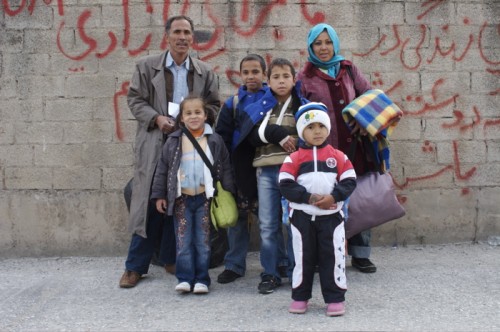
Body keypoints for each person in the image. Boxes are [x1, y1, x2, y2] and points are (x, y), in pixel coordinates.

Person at [119, 15, 220, 288]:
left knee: (181, 202)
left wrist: (196, 120)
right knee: (151, 203)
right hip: (155, 143)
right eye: (177, 32)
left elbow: (214, 105)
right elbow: (135, 99)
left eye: (187, 32)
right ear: (167, 36)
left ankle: (171, 259)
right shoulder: (146, 66)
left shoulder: (204, 72)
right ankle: (135, 266)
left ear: (193, 38)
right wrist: (156, 119)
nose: (183, 37)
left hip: (189, 146)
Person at [297, 23, 377, 273]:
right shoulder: (304, 76)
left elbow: (370, 96)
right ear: (311, 47)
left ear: (335, 44)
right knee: (330, 202)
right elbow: (299, 113)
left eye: (328, 42)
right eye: (317, 43)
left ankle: (361, 254)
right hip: (324, 153)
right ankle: (330, 255)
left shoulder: (348, 69)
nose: (323, 48)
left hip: (355, 148)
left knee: (359, 200)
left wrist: (365, 122)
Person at [279, 102, 357, 316]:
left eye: (321, 126)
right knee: (303, 258)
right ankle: (300, 297)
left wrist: (333, 196)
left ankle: (335, 299)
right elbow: (285, 184)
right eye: (311, 127)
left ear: (328, 129)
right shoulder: (293, 158)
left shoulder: (338, 156)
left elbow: (350, 181)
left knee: (332, 257)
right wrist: (309, 198)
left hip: (331, 219)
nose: (317, 131)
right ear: (302, 131)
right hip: (302, 217)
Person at [150, 96, 235, 294]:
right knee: (183, 241)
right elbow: (162, 169)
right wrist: (159, 196)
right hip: (182, 200)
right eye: (188, 113)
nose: (193, 116)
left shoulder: (214, 140)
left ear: (206, 115)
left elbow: (226, 166)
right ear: (181, 118)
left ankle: (202, 280)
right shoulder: (174, 141)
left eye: (198, 112)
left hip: (205, 199)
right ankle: (186, 278)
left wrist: (231, 192)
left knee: (203, 242)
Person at [246, 58, 308, 294]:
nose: (281, 81)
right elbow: (250, 135)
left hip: (294, 173)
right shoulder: (260, 105)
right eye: (275, 77)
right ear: (267, 81)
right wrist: (278, 135)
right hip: (266, 172)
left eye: (285, 77)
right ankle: (270, 273)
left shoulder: (303, 106)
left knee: (295, 223)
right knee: (268, 225)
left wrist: (293, 141)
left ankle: (296, 272)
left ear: (294, 80)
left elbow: (313, 136)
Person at [214, 54, 269, 283]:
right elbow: (221, 140)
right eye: (246, 72)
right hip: (239, 170)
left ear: (264, 74)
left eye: (255, 71)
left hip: (267, 171)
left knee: (269, 222)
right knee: (237, 221)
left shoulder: (274, 100)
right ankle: (234, 265)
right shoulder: (233, 103)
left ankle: (277, 264)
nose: (250, 76)